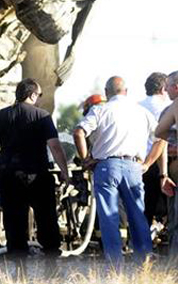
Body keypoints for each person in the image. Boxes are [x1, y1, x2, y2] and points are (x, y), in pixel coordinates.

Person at [0, 78, 70, 274]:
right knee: (47, 219)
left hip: (10, 177)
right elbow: (55, 147)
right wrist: (65, 172)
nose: (40, 99)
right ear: (32, 95)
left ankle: (20, 271)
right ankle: (51, 268)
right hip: (38, 177)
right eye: (39, 95)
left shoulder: (0, 116)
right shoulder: (42, 116)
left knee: (14, 221)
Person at [73, 76, 162, 266]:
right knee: (137, 214)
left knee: (109, 217)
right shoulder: (142, 112)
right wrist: (147, 163)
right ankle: (144, 260)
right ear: (126, 91)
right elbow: (161, 138)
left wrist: (85, 160)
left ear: (107, 92)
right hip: (134, 168)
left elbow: (78, 132)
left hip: (106, 167)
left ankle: (115, 265)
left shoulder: (100, 109)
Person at [138, 72, 170, 227]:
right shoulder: (167, 108)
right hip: (159, 163)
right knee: (168, 210)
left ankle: (140, 246)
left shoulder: (137, 106)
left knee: (144, 209)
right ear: (164, 88)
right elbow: (163, 141)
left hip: (138, 162)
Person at [155, 70, 178, 255]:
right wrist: (164, 175)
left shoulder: (171, 110)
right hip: (172, 171)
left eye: (167, 86)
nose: (165, 90)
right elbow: (162, 144)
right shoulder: (167, 110)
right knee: (173, 220)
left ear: (176, 87)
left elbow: (160, 138)